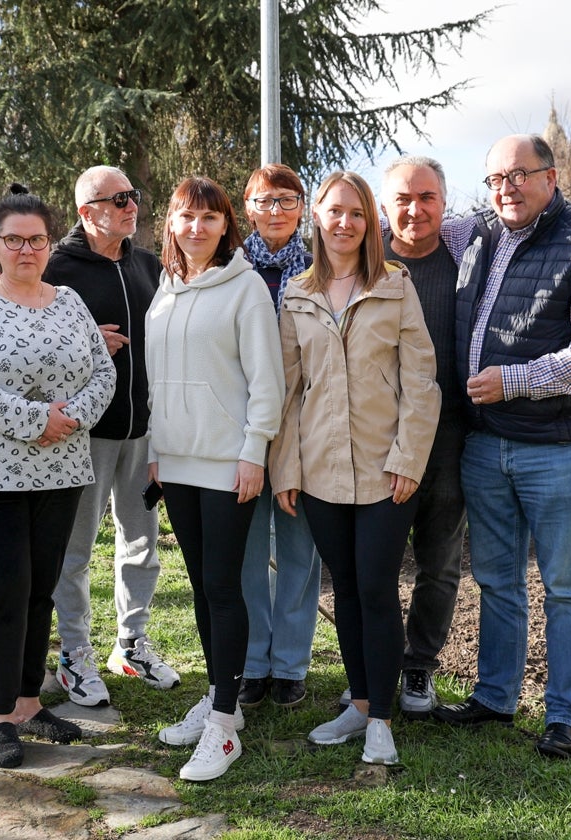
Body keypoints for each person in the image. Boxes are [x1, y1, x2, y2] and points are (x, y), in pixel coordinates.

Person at [431, 134, 571, 760]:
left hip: (557, 448)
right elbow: (415, 214)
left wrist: (515, 380)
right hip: (486, 444)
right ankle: (495, 696)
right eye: (495, 179)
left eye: (520, 175)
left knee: (565, 583)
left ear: (551, 175)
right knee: (496, 578)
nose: (506, 188)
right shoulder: (476, 234)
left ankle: (565, 716)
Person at [0, 184, 116, 768]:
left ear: (48, 243)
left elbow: (102, 374)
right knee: (3, 589)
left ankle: (30, 702)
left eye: (36, 239)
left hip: (61, 472)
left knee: (40, 588)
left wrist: (71, 418)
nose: (26, 249)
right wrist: (37, 419)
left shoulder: (68, 301)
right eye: (14, 240)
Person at [269, 170, 440, 766]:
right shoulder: (296, 292)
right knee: (344, 590)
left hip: (385, 468)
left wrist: (408, 458)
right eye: (334, 211)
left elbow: (421, 380)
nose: (345, 222)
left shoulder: (395, 285)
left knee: (374, 587)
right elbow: (287, 390)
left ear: (371, 222)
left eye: (357, 213)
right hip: (318, 472)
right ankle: (361, 704)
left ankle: (383, 723)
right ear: (316, 217)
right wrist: (285, 468)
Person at [146, 176, 284, 782]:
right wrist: (156, 449)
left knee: (224, 588)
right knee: (202, 587)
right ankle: (218, 697)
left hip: (228, 462)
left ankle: (225, 728)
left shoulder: (247, 288)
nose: (197, 227)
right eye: (185, 217)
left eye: (209, 218)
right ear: (171, 225)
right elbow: (156, 382)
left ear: (227, 225)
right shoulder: (166, 289)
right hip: (176, 461)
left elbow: (267, 383)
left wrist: (253, 453)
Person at [49, 166, 179, 707]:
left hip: (144, 432)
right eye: (118, 198)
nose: (132, 205)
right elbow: (32, 350)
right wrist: (83, 344)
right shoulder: (56, 269)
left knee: (142, 543)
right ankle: (74, 653)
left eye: (133, 196)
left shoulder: (149, 264)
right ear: (87, 211)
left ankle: (131, 643)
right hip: (83, 436)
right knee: (75, 551)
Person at [379, 156, 468, 720]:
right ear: (385, 207)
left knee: (439, 563)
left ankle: (419, 667)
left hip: (451, 439)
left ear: (443, 201)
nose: (416, 210)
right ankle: (375, 666)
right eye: (403, 200)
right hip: (379, 439)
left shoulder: (468, 263)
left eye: (427, 197)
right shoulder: (365, 260)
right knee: (377, 564)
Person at [236, 163, 321, 710]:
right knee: (244, 551)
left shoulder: (321, 267)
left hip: (302, 427)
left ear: (302, 208)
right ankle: (251, 662)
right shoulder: (227, 264)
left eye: (287, 201)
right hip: (239, 428)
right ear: (248, 209)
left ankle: (290, 663)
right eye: (265, 202)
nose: (276, 212)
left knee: (298, 550)